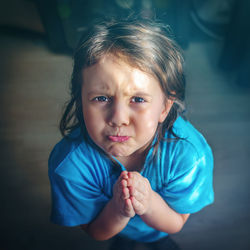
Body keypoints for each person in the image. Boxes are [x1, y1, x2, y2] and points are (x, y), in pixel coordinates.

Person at [48, 16, 214, 250]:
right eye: (101, 98)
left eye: (137, 99)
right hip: (114, 226)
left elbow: (175, 222)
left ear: (165, 107)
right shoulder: (70, 164)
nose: (118, 118)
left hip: (159, 229)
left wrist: (148, 203)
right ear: (80, 100)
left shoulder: (190, 155)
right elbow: (96, 230)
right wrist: (118, 209)